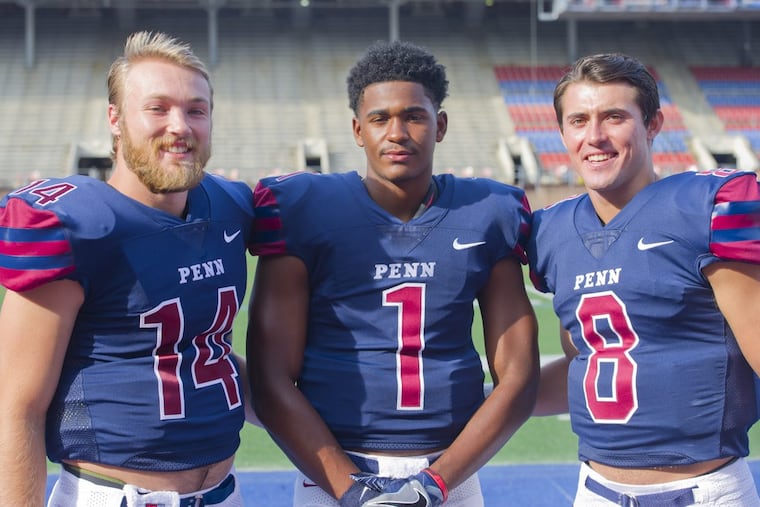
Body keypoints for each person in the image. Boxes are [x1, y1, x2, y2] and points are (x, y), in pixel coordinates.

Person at [246, 40, 539, 507]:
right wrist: (350, 489)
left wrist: (435, 483)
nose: (397, 132)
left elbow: (519, 376)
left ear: (439, 125)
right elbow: (270, 378)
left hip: (452, 472)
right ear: (358, 130)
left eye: (414, 116)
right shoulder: (305, 208)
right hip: (332, 473)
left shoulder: (488, 211)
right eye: (380, 119)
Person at [0, 31, 258, 506]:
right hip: (115, 496)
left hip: (225, 493)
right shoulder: (77, 226)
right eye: (157, 108)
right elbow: (17, 407)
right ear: (115, 120)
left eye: (196, 110)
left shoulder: (230, 206)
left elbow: (203, 354)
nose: (179, 126)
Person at [528, 52, 760, 506]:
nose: (594, 136)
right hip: (594, 491)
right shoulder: (551, 233)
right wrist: (476, 400)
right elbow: (592, 365)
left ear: (653, 124)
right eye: (578, 120)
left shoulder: (706, 208)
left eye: (614, 117)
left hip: (703, 492)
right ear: (562, 133)